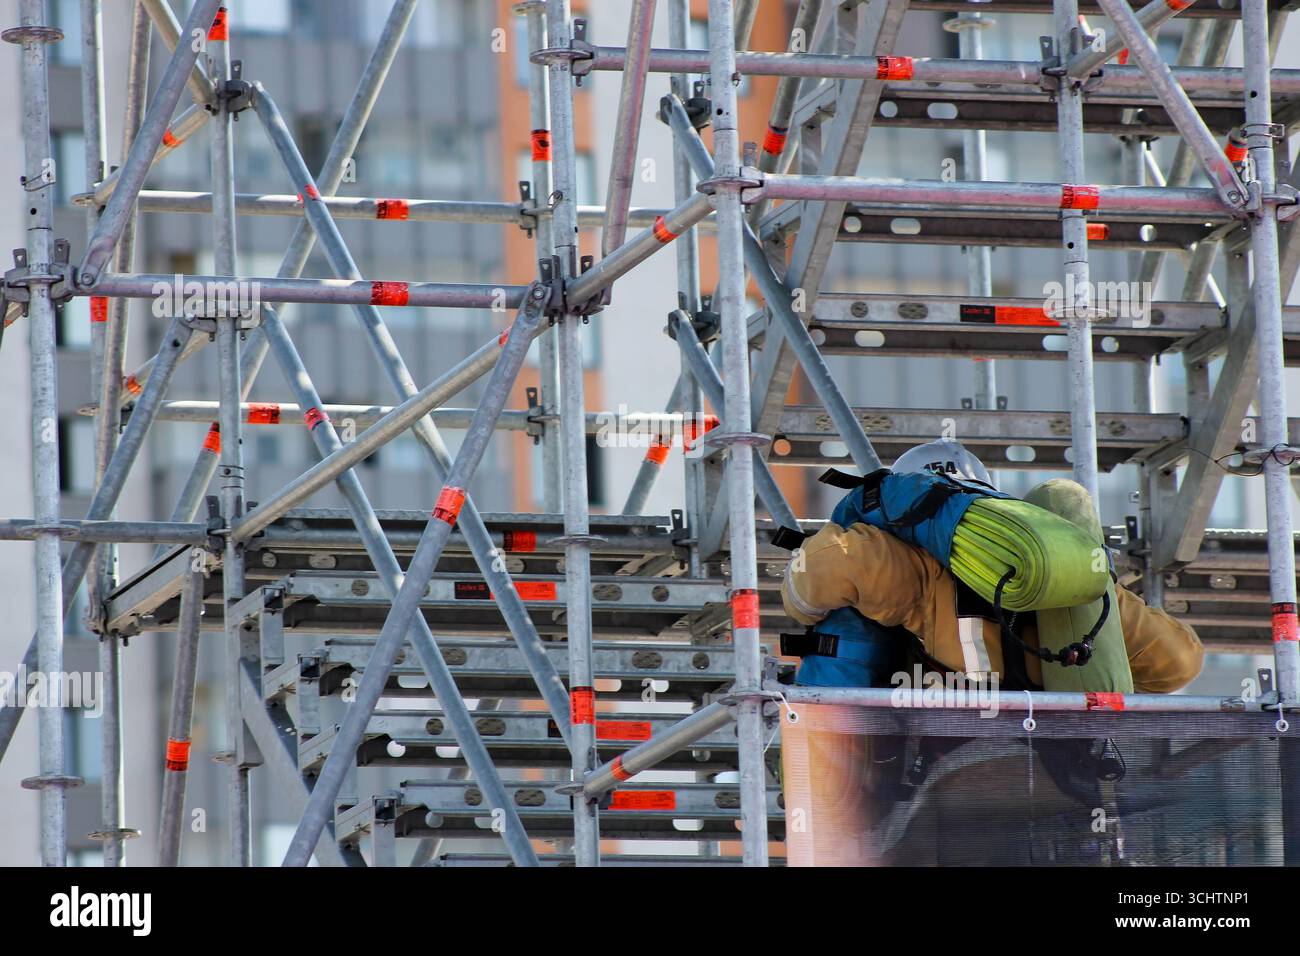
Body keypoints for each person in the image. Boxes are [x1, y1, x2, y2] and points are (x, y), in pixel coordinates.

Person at [780, 439, 1204, 694]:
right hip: (1064, 770)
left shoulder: (917, 570)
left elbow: (831, 566)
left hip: (957, 767)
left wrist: (806, 607)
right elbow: (1180, 663)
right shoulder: (1072, 578)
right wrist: (1100, 591)